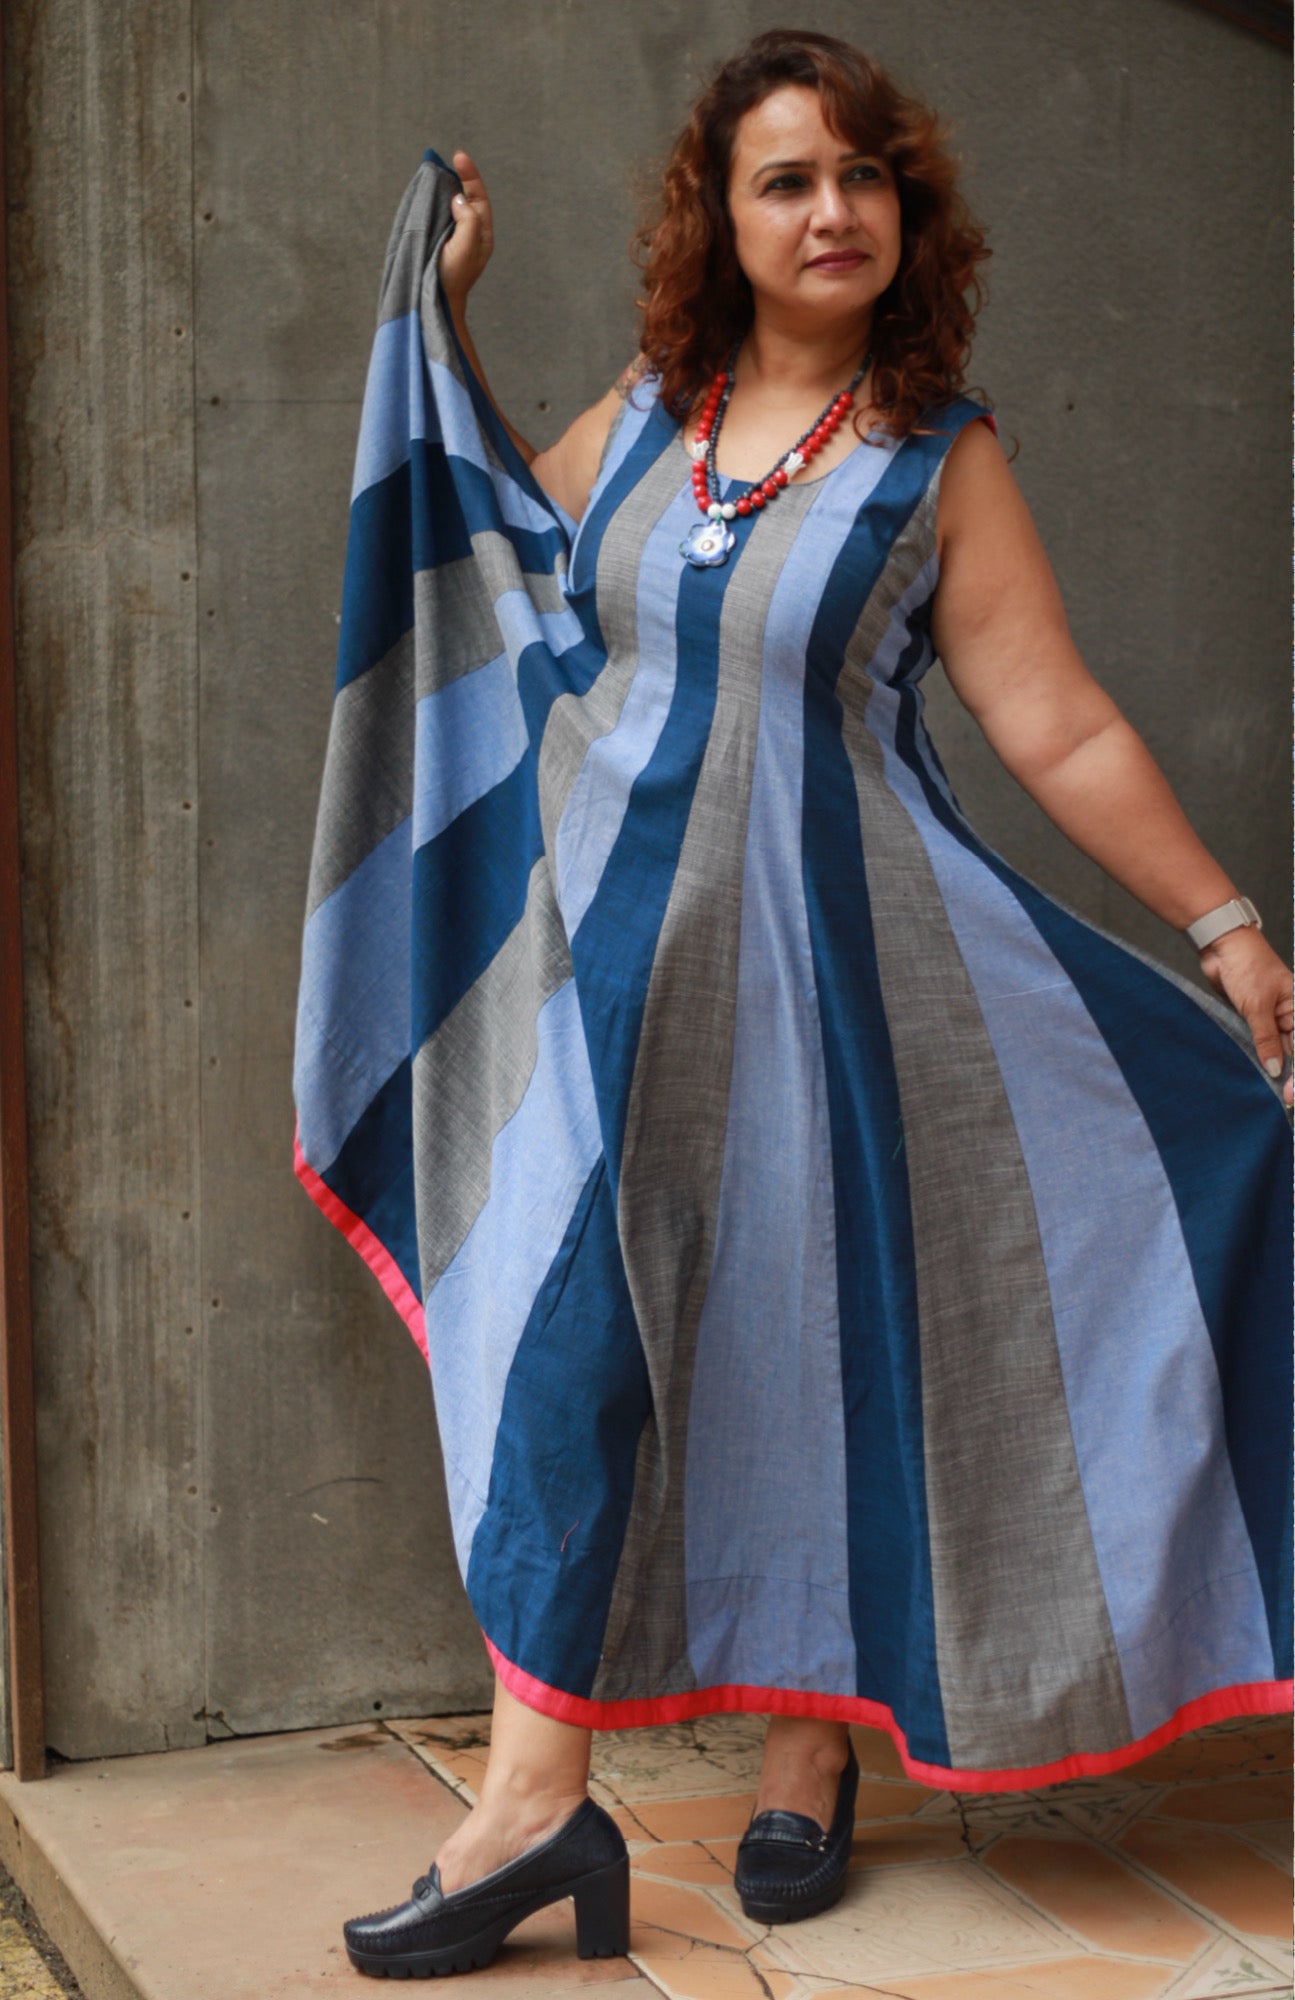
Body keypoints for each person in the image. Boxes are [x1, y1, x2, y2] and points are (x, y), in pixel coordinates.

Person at [292, 28, 1294, 1981]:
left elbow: (1052, 719)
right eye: (785, 179)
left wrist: (1230, 924)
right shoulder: (659, 407)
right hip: (610, 965)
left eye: (861, 175)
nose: (830, 210)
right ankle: (529, 1804)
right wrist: (452, 329)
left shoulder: (941, 457)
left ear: (906, 209)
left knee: (803, 1339)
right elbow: (507, 550)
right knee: (584, 1356)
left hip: (842, 976)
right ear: (724, 220)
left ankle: (805, 1754)